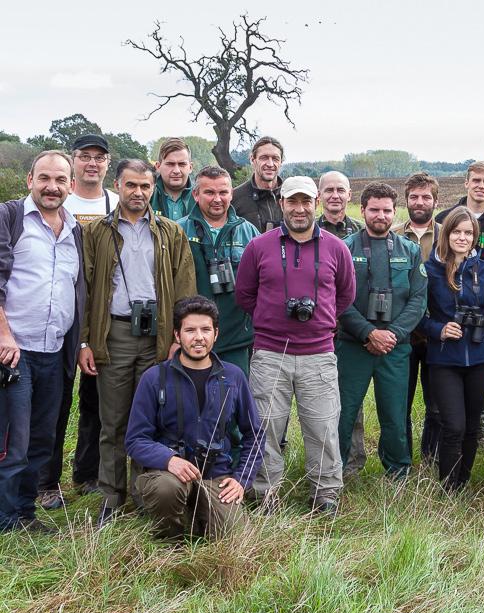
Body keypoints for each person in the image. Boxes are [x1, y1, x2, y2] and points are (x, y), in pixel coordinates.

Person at [79, 158, 196, 527]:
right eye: (131, 185)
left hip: (157, 338)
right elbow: (84, 288)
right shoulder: (97, 232)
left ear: (152, 188)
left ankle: (146, 496)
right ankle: (111, 498)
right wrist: (86, 340)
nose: (139, 193)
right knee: (112, 421)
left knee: (152, 421)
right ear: (118, 185)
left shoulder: (169, 232)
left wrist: (179, 336)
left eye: (145, 186)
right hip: (114, 334)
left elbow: (184, 288)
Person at [235, 175, 355, 514]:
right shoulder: (260, 246)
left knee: (322, 427)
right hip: (271, 353)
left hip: (318, 353)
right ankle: (265, 492)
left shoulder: (336, 247)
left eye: (305, 202)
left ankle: (326, 492)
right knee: (267, 426)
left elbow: (345, 295)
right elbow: (245, 294)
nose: (299, 209)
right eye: (292, 201)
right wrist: (271, 318)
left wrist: (321, 321)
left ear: (315, 202)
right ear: (282, 203)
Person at [126, 296, 263, 540]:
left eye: (205, 330)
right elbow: (135, 439)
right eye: (190, 330)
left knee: (235, 537)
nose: (198, 337)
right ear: (177, 336)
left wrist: (241, 480)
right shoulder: (154, 378)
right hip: (168, 475)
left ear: (216, 334)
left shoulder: (233, 377)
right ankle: (172, 537)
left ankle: (198, 517)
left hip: (215, 476)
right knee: (167, 490)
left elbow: (255, 434)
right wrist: (169, 460)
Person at [0, 151, 84, 533]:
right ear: (29, 178)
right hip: (15, 351)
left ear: (71, 184)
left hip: (55, 351)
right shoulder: (10, 218)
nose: (52, 187)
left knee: (42, 440)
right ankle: (4, 518)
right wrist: (4, 335)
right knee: (12, 443)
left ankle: (23, 515)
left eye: (60, 180)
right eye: (45, 178)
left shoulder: (74, 230)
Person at [38, 134, 118, 509]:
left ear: (107, 164)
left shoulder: (114, 203)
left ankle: (86, 474)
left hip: (98, 317)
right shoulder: (57, 201)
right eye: (84, 156)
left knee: (94, 401)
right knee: (54, 404)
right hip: (59, 315)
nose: (92, 163)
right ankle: (45, 480)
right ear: (73, 164)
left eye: (98, 158)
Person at [337, 182, 427, 478]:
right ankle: (335, 470)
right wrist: (367, 332)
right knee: (344, 413)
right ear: (361, 211)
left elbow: (417, 299)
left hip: (395, 347)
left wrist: (393, 335)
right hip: (353, 345)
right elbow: (338, 298)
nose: (380, 215)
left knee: (394, 414)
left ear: (394, 211)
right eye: (374, 210)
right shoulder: (344, 249)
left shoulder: (410, 250)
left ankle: (398, 471)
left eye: (386, 210)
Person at [421, 207, 484, 489]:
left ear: (475, 237)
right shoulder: (430, 270)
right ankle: (447, 487)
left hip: (480, 358)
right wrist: (439, 329)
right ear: (446, 233)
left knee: (471, 427)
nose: (462, 237)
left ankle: (462, 483)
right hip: (444, 360)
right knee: (453, 425)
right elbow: (417, 315)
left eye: (468, 233)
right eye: (457, 231)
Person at [435, 161, 484, 443]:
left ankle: (476, 432)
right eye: (476, 180)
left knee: (480, 390)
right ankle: (443, 438)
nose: (481, 185)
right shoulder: (446, 217)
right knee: (444, 392)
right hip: (448, 311)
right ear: (466, 183)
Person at [178, 166, 260, 375]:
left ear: (231, 194)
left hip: (236, 340)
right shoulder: (178, 232)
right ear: (196, 194)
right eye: (209, 192)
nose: (217, 199)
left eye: (223, 192)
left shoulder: (249, 233)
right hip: (191, 338)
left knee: (231, 401)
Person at [315, 170, 367, 478]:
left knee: (351, 401)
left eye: (341, 190)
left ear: (349, 196)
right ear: (319, 197)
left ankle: (351, 463)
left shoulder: (361, 233)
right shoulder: (309, 229)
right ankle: (323, 461)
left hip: (349, 332)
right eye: (329, 190)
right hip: (318, 329)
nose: (335, 195)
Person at [394, 172, 440, 462]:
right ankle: (403, 460)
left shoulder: (449, 234)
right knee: (401, 403)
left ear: (436, 201)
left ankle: (432, 457)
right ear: (406, 200)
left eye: (426, 197)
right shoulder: (393, 234)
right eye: (414, 197)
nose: (419, 202)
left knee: (436, 404)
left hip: (437, 335)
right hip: (402, 335)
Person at [232, 136, 284, 233]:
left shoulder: (291, 196)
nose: (270, 164)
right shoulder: (234, 198)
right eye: (264, 158)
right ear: (253, 159)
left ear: (281, 162)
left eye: (275, 159)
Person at [150, 137, 195, 221]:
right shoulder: (147, 197)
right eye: (170, 164)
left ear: (190, 167)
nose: (176, 171)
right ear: (158, 166)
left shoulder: (202, 199)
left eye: (182, 164)